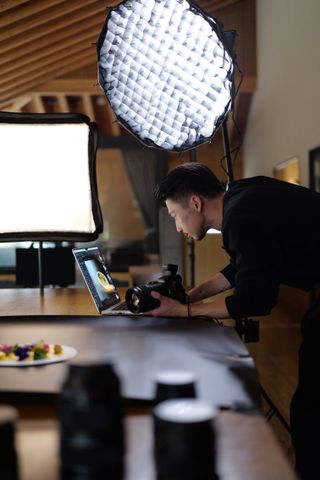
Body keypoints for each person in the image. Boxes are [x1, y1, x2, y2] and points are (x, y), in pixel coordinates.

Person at [148, 162, 320, 480]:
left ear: (195, 203)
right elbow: (240, 267)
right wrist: (189, 298)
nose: (177, 227)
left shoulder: (240, 215)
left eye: (174, 215)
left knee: (311, 409)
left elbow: (257, 299)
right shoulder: (242, 195)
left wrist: (183, 313)